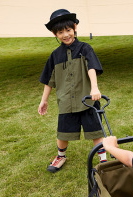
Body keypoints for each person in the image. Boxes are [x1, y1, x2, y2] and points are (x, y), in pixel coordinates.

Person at [38, 9, 107, 173]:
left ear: (75, 28)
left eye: (68, 30)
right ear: (55, 34)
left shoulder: (85, 48)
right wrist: (44, 100)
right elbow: (49, 79)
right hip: (66, 101)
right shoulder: (55, 55)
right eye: (60, 32)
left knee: (96, 131)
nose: (65, 35)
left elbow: (92, 67)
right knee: (63, 133)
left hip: (87, 99)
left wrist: (94, 88)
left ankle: (103, 160)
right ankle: (60, 156)